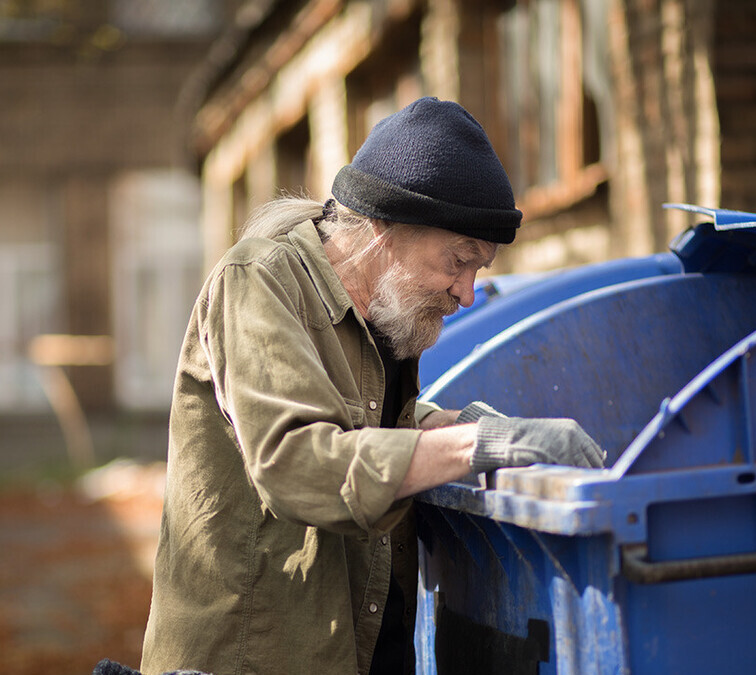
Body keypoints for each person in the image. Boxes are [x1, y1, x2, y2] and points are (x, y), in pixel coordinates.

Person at [139, 97, 604, 675]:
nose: (466, 293)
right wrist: (480, 448)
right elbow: (297, 461)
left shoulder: (386, 316)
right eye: (459, 261)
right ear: (385, 228)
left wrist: (457, 422)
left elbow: (365, 421)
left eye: (478, 270)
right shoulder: (259, 281)